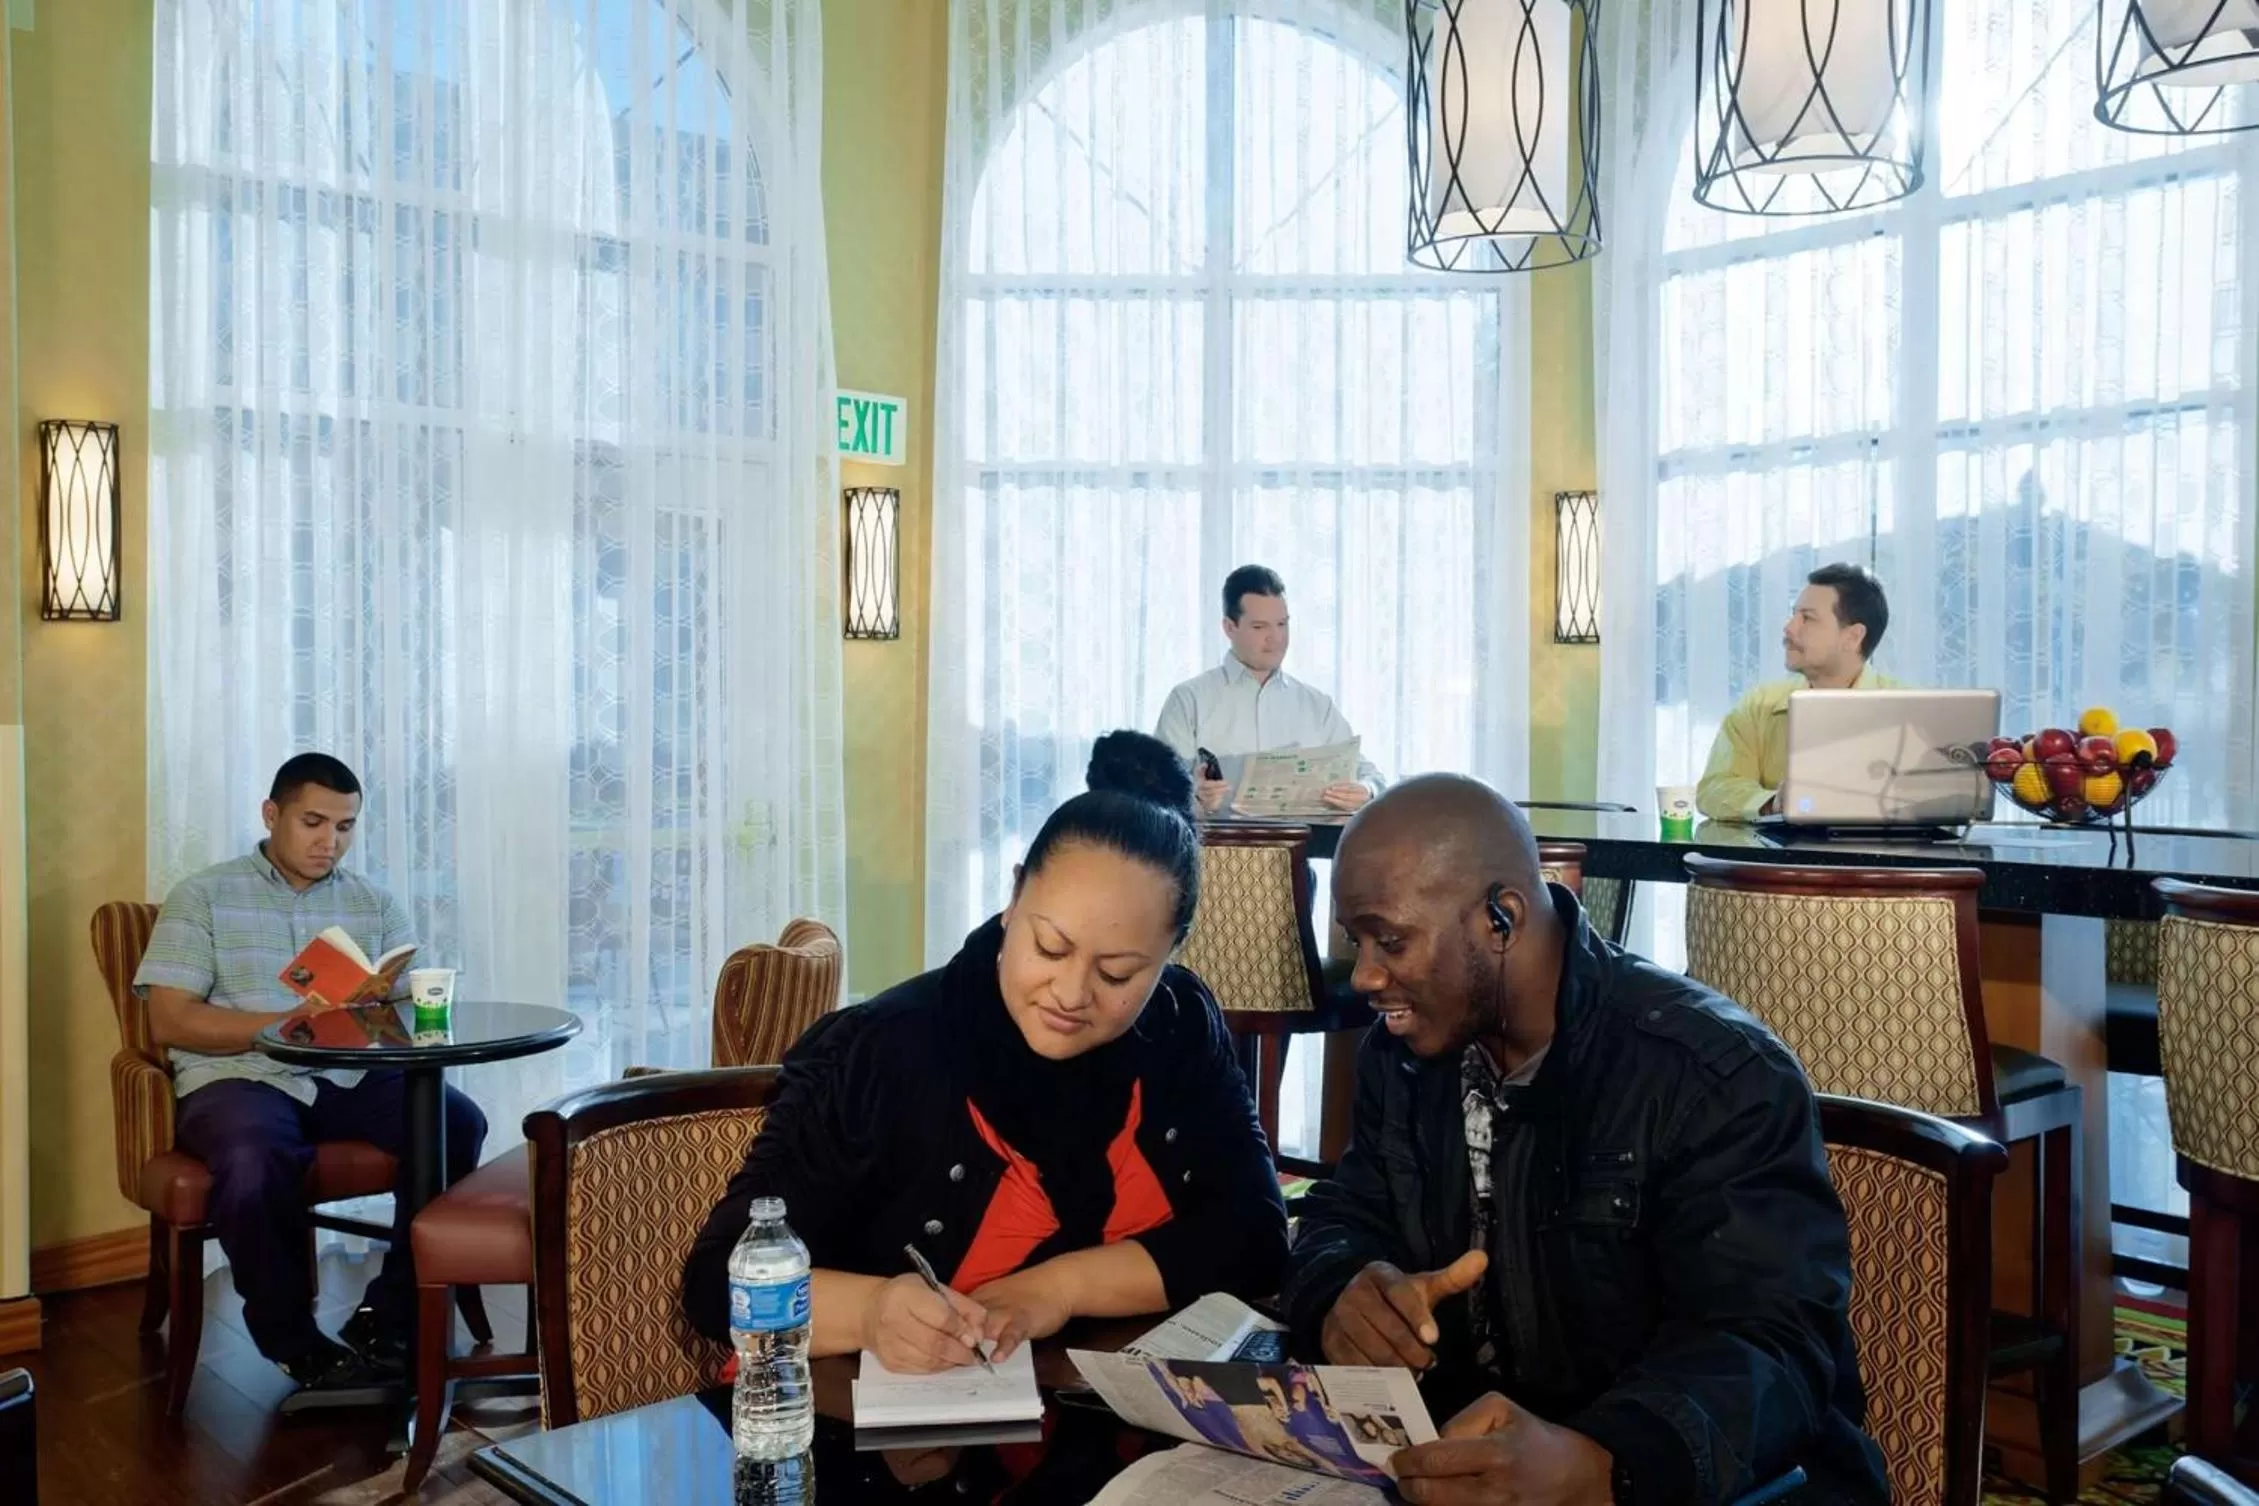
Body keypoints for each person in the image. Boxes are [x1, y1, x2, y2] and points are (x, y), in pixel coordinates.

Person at [1282, 776, 1888, 1506]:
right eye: (1358, 942)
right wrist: (1342, 1289)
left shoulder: (1710, 1071)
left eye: (1391, 940)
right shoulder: (1405, 1052)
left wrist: (1604, 1460)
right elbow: (1345, 1212)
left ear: (1499, 918)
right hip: (1473, 1465)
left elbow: (1772, 1347)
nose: (1368, 975)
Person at [682, 731, 1288, 1371]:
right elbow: (715, 1283)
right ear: (1014, 896)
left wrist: (1057, 1289)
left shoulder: (1178, 1024)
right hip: (866, 1437)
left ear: (1171, 953)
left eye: (1117, 974)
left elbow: (1253, 1236)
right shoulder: (884, 1051)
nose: (1071, 992)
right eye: (1050, 948)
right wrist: (871, 1312)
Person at [133, 753, 489, 1390]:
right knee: (252, 1158)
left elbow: (406, 1009)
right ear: (272, 815)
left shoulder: (374, 903)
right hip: (241, 1073)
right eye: (314, 822)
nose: (331, 842)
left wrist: (389, 1003)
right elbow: (170, 1020)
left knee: (455, 1123)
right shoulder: (203, 896)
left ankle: (389, 1311)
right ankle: (291, 1338)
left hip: (350, 1072)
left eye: (346, 827)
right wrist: (280, 1024)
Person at [1154, 564, 1382, 816]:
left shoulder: (1317, 706)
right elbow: (1155, 795)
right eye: (1260, 627)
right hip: (1214, 849)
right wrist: (1195, 798)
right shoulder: (1189, 700)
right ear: (1230, 627)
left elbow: (1371, 777)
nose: (1276, 638)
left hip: (1302, 850)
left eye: (1282, 624)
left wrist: (1365, 790)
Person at [1696, 562, 1901, 821]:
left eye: (1807, 618)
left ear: (1853, 636)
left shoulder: (1914, 711)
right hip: (1779, 860)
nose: (1789, 628)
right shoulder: (1759, 705)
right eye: (1793, 614)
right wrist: (1773, 803)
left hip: (1882, 859)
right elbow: (1715, 788)